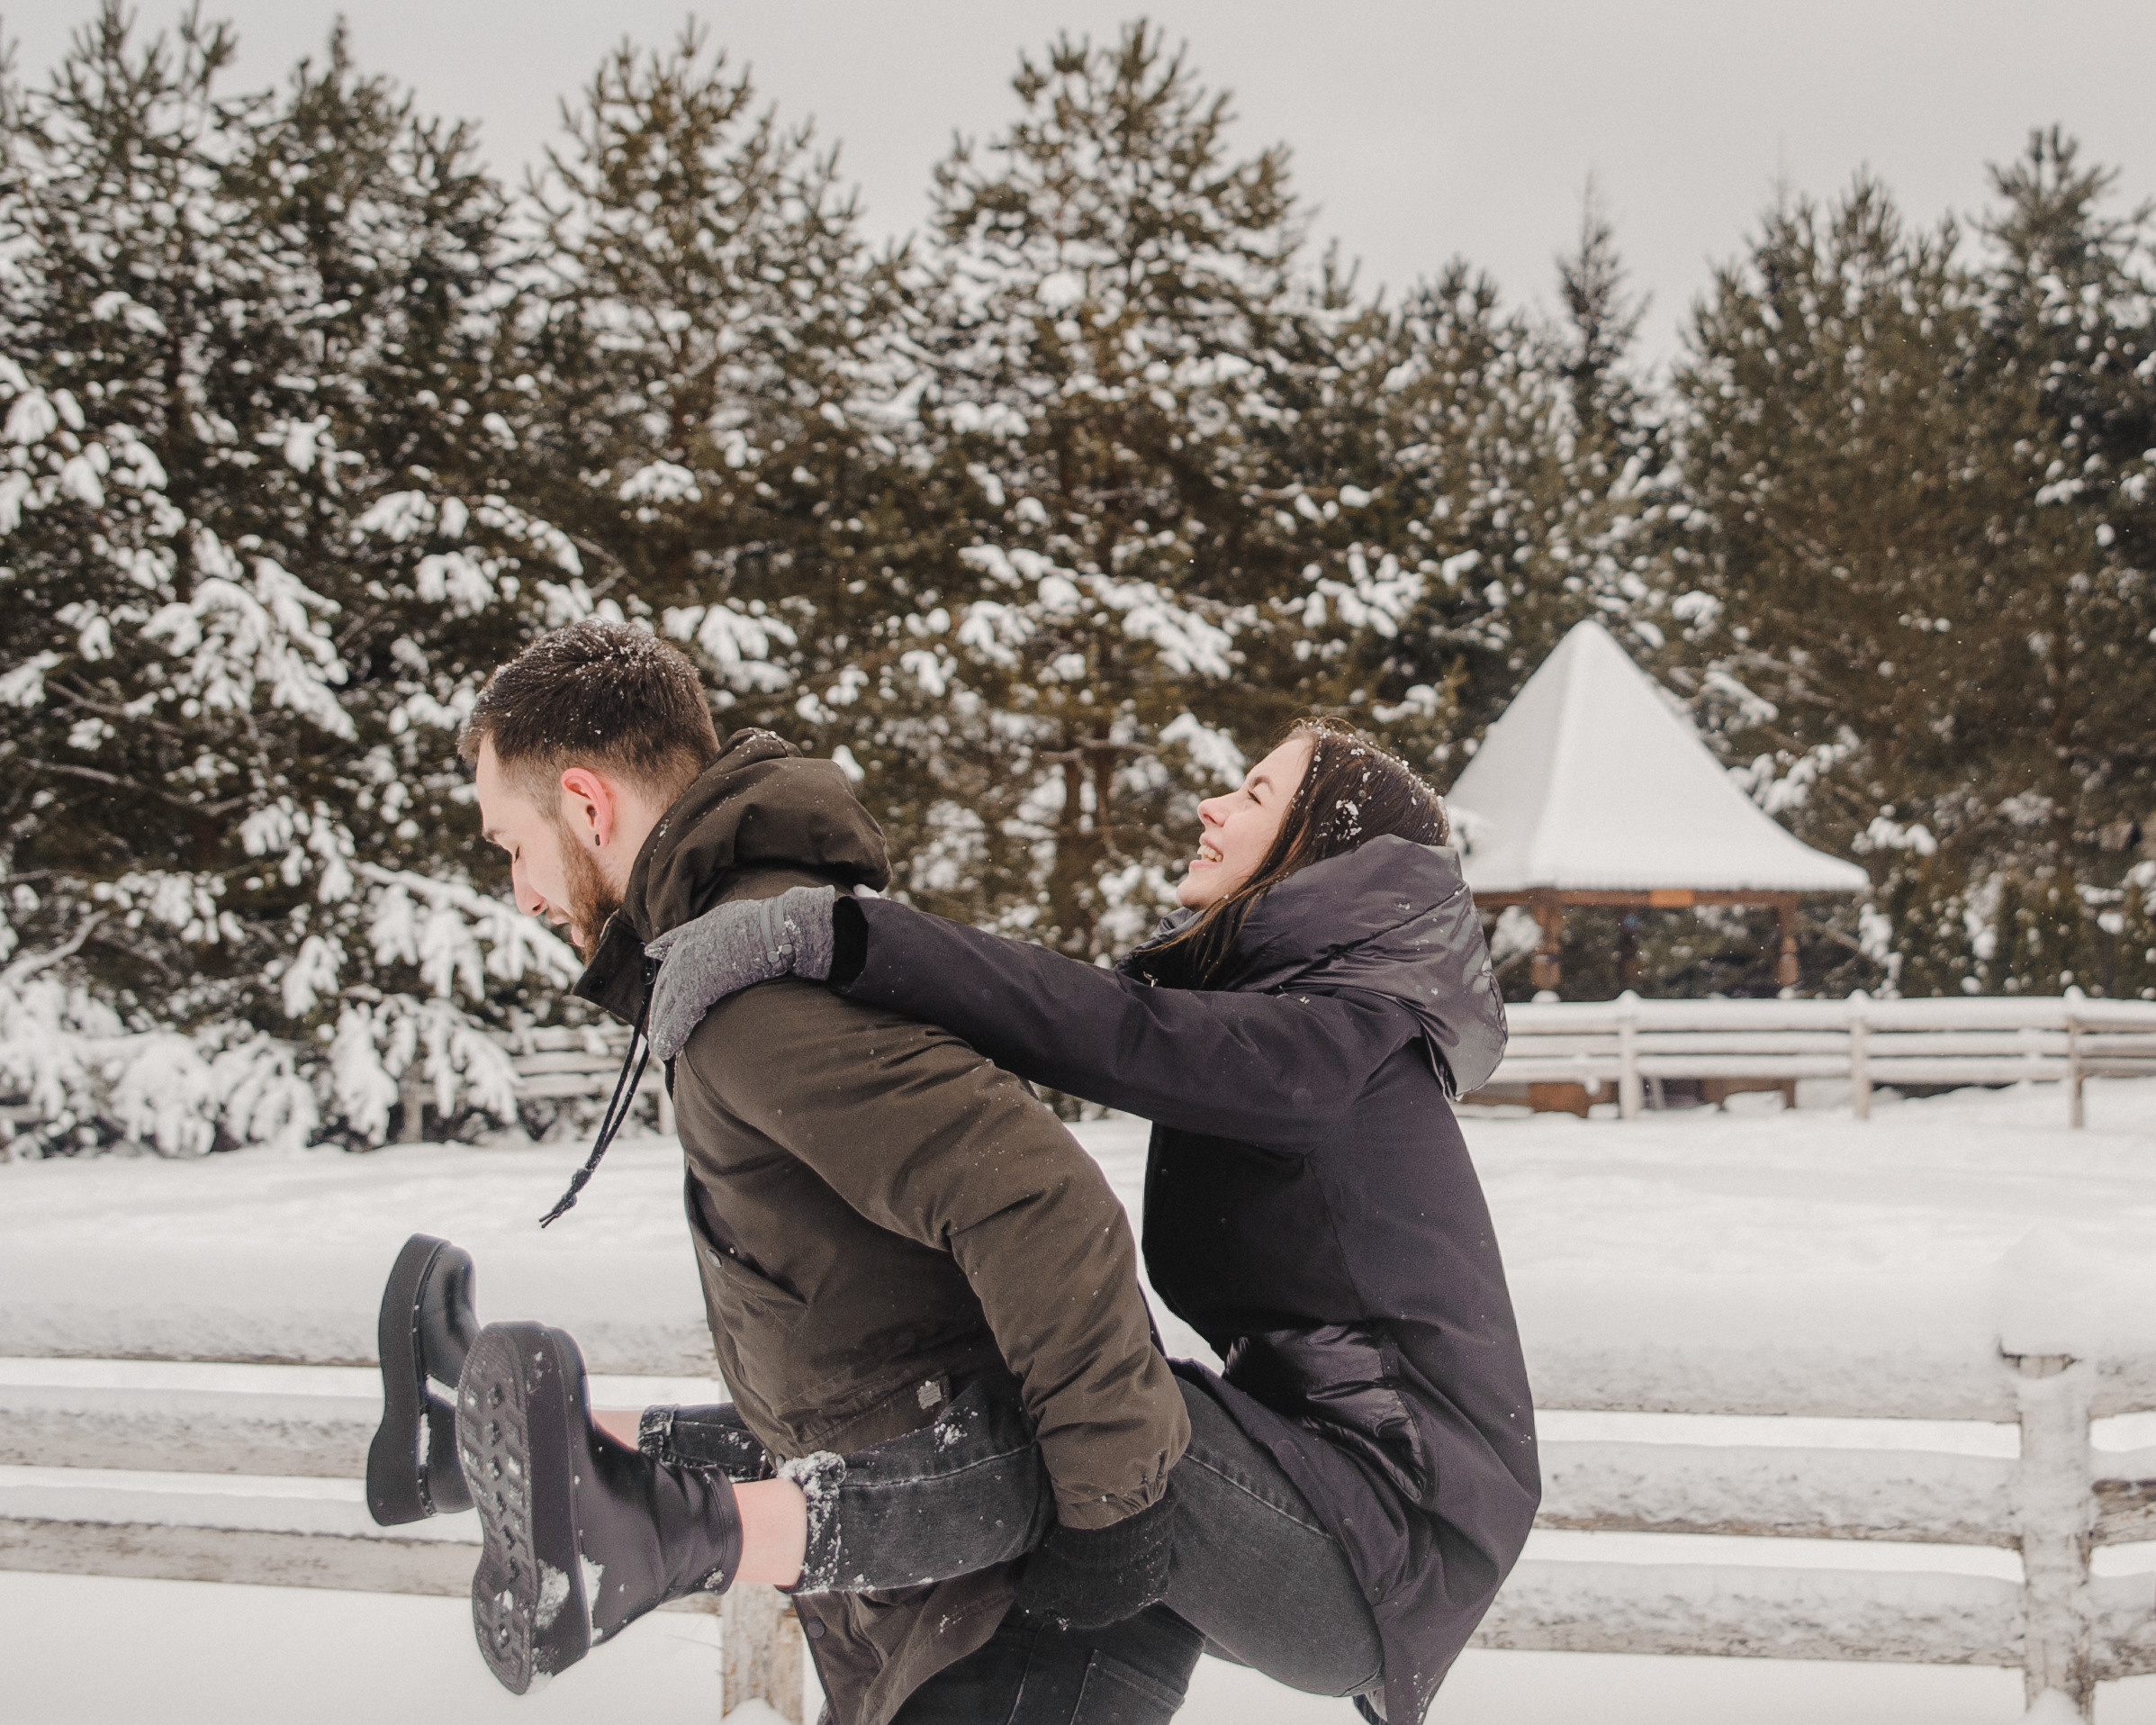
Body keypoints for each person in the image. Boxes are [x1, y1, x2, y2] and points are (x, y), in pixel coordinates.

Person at [381, 687, 1538, 1724]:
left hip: (1388, 1538)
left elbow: (1112, 1037)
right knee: (1033, 1409)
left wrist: (835, 934)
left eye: (1255, 791)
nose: (1210, 802)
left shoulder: (1347, 1042)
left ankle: (681, 1531)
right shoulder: (1303, 1024)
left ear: (1321, 852)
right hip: (1309, 1477)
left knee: (1087, 1429)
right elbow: (1088, 1021)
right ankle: (546, 1450)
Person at [374, 619, 1194, 1722]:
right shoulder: (737, 954)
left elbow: (1031, 1190)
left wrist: (1112, 1508)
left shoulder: (751, 991)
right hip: (912, 1583)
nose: (521, 890)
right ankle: (494, 1450)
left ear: (584, 802)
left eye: (508, 845)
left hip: (1015, 1602)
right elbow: (858, 1326)